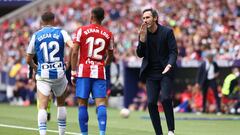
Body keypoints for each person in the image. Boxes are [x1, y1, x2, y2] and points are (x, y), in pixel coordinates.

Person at [26, 11, 73, 135]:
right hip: (59, 73)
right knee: (61, 104)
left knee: (42, 106)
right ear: (54, 20)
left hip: (44, 74)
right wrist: (68, 63)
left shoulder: (36, 35)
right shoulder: (62, 32)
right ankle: (61, 133)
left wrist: (36, 68)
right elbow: (73, 47)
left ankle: (43, 134)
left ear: (41, 22)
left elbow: (28, 59)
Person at [71, 7, 114, 135]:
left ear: (92, 16)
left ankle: (84, 133)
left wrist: (73, 71)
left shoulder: (81, 30)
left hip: (84, 71)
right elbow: (111, 55)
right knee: (101, 103)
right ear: (103, 18)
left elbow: (74, 52)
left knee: (82, 104)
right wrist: (103, 65)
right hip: (99, 72)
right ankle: (102, 133)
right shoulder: (108, 34)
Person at [136, 8, 178, 135]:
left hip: (165, 71)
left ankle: (171, 130)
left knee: (165, 98)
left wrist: (170, 65)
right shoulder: (143, 33)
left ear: (155, 18)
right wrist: (142, 40)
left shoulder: (167, 32)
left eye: (147, 17)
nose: (145, 20)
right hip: (151, 74)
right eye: (143, 18)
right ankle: (158, 133)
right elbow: (139, 54)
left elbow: (173, 51)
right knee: (151, 103)